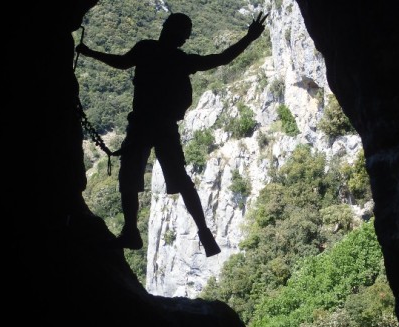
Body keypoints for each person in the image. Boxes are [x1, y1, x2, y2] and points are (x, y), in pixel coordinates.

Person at [76, 11, 268, 256]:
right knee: (179, 180)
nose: (183, 40)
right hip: (165, 126)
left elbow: (121, 63)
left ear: (166, 27)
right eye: (184, 35)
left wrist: (90, 52)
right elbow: (222, 58)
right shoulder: (181, 60)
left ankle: (131, 232)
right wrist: (249, 38)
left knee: (129, 178)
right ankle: (203, 232)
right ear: (181, 37)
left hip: (142, 124)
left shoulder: (146, 49)